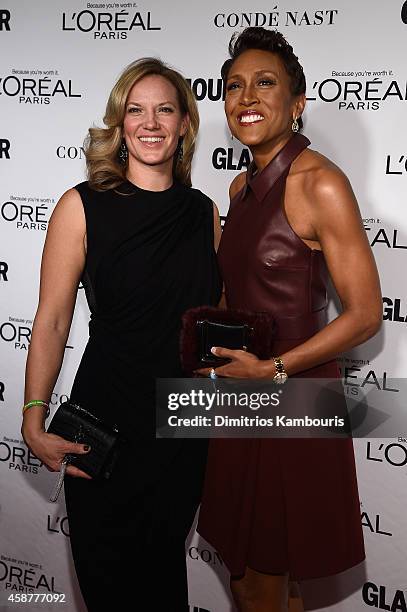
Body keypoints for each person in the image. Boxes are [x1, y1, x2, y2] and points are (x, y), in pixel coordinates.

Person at [21, 57, 222, 611]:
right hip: (102, 433)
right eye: (136, 110)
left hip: (178, 438)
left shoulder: (204, 213)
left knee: (163, 589)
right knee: (109, 588)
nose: (150, 123)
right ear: (120, 123)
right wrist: (33, 415)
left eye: (165, 110)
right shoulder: (80, 206)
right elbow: (53, 320)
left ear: (185, 123)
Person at [196, 28, 382, 612]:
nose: (246, 96)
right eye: (234, 86)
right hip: (244, 394)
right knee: (254, 575)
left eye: (265, 83)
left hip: (295, 395)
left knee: (264, 579)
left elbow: (367, 314)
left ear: (297, 103)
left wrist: (273, 370)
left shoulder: (320, 183)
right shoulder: (238, 186)